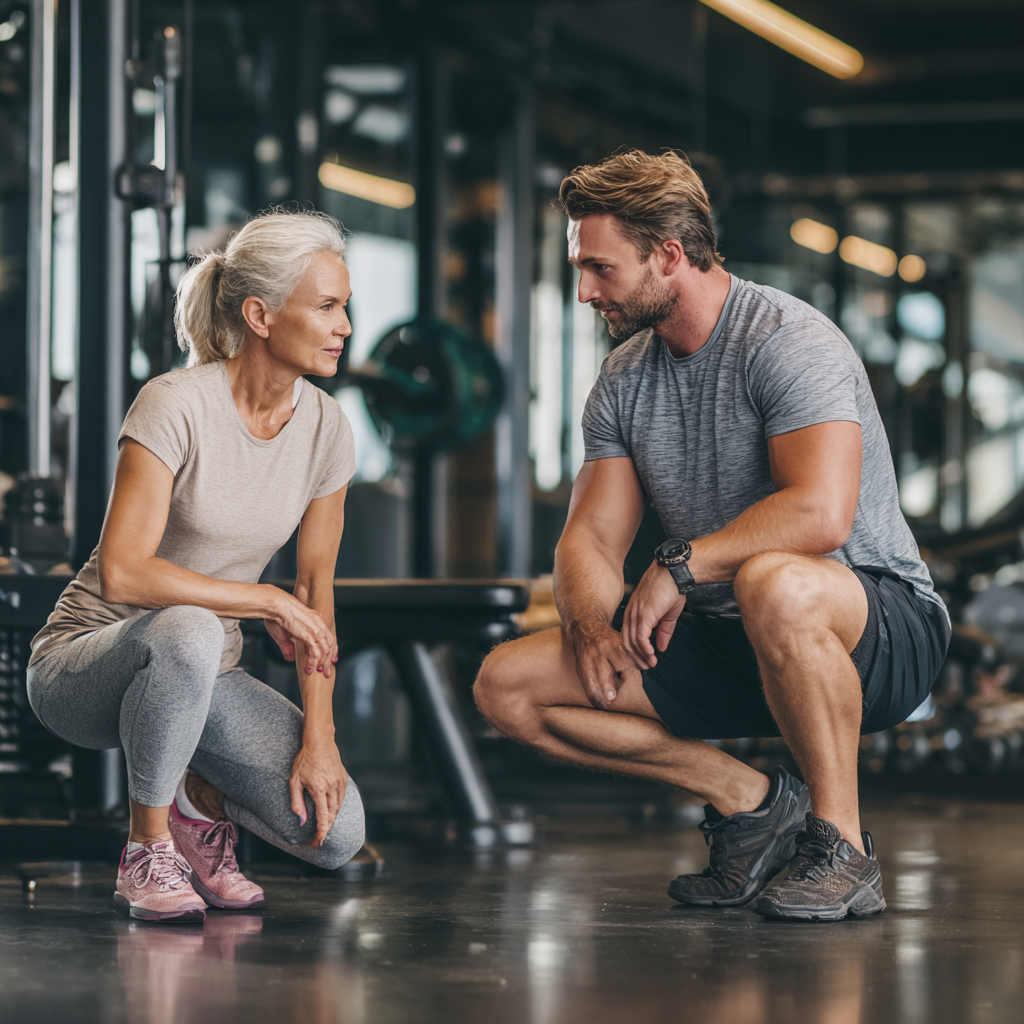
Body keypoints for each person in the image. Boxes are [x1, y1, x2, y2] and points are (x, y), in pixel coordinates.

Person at [474, 150, 949, 922]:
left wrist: (678, 566)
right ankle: (751, 801)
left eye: (599, 268)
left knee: (774, 580)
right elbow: (589, 540)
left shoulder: (789, 340)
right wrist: (591, 625)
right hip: (732, 640)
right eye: (580, 268)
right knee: (508, 685)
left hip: (875, 631)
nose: (585, 289)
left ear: (668, 254)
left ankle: (844, 847)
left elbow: (820, 514)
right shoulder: (624, 379)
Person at [27, 208, 364, 922]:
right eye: (327, 306)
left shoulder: (329, 428)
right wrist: (263, 601)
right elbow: (123, 572)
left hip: (206, 676)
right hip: (86, 663)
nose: (345, 326)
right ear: (260, 315)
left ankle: (194, 803)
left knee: (335, 835)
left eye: (346, 307)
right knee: (188, 628)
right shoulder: (175, 403)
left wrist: (320, 738)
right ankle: (146, 849)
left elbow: (314, 593)